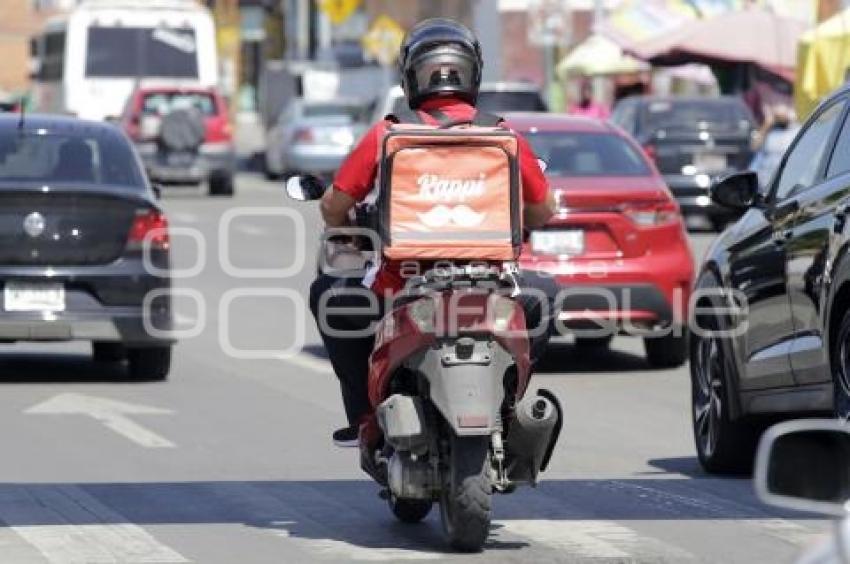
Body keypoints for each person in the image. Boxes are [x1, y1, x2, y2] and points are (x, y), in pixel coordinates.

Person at [309, 18, 557, 447]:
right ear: (472, 73)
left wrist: (349, 229)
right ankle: (512, 403)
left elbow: (333, 205)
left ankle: (366, 419)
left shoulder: (388, 133)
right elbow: (544, 210)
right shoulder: (503, 134)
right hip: (493, 287)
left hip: (398, 285)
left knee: (327, 296)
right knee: (546, 296)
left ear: (411, 76)